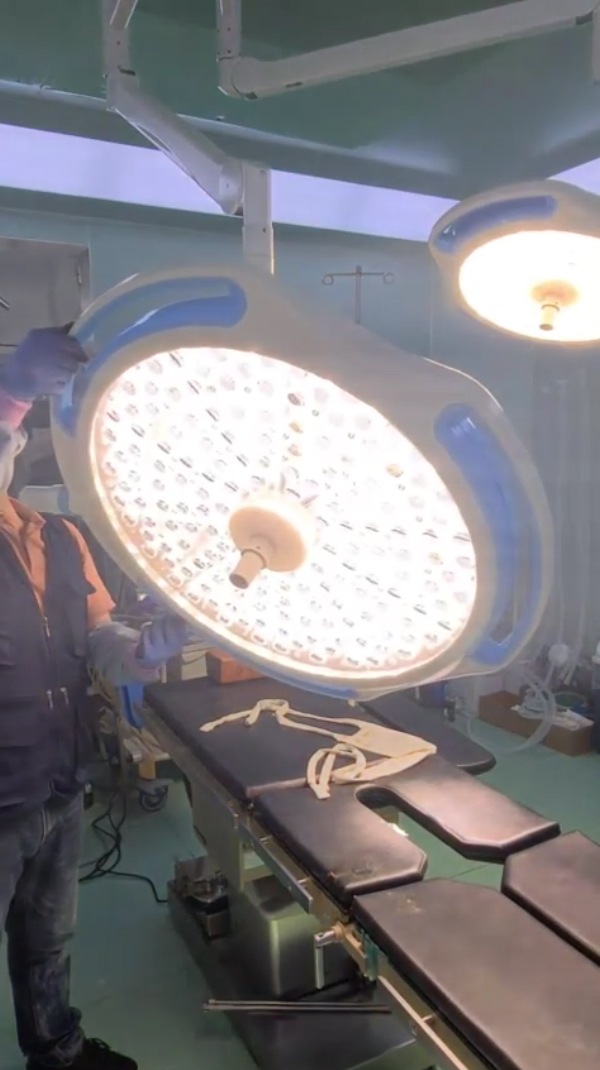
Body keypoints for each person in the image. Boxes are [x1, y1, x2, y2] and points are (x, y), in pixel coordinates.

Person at [0, 327, 190, 1070]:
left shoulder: (61, 539)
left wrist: (146, 652)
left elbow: (103, 636)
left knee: (49, 936)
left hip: (61, 777)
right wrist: (15, 390)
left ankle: (58, 1053)